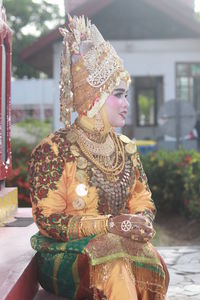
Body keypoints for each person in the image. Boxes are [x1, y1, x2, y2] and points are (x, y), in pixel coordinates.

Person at [29, 15, 169, 300]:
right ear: (94, 98)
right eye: (119, 94)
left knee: (152, 263)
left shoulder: (125, 148)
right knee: (114, 264)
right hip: (64, 254)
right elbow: (48, 220)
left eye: (126, 94)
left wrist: (140, 221)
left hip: (116, 244)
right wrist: (109, 225)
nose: (127, 103)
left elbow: (143, 200)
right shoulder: (54, 150)